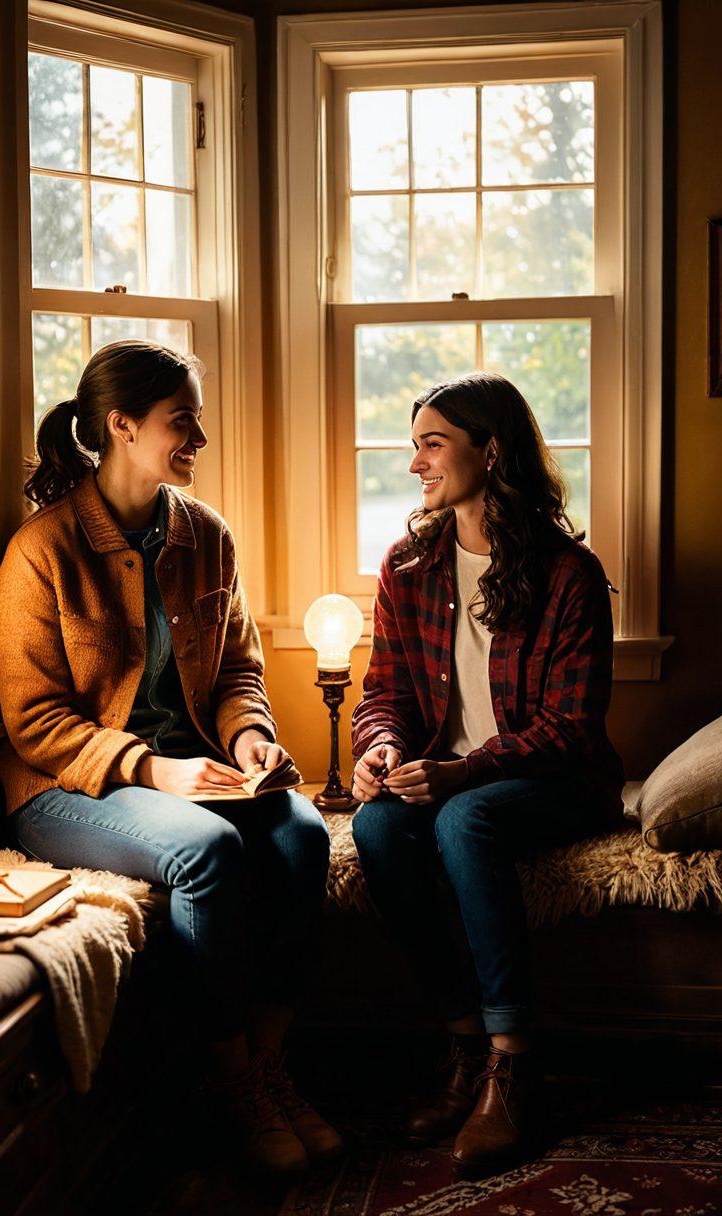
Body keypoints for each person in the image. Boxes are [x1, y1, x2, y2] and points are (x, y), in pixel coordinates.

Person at [0, 340, 341, 1178]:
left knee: (304, 836)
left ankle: (268, 1065)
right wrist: (152, 770)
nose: (200, 438)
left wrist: (250, 736)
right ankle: (229, 1080)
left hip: (197, 769)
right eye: (183, 421)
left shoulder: (206, 534)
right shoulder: (42, 549)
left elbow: (238, 671)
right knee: (207, 849)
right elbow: (34, 722)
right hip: (67, 786)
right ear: (122, 426)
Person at [350, 372, 624, 1180]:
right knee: (376, 827)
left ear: (491, 450)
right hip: (448, 775)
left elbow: (569, 730)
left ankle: (514, 1062)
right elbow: (384, 693)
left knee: (463, 818)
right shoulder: (408, 565)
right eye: (415, 446)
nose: (415, 465)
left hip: (556, 780)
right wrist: (381, 747)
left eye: (432, 445)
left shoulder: (569, 574)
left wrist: (463, 773)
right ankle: (464, 1043)